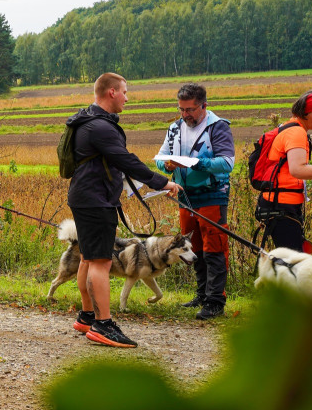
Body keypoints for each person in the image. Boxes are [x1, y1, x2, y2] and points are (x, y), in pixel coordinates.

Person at [66, 72, 181, 348]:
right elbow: (127, 161)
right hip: (95, 201)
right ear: (112, 92)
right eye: (125, 92)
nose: (127, 98)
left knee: (87, 258)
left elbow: (112, 161)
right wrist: (162, 182)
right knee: (100, 262)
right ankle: (102, 324)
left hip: (88, 197)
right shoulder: (101, 127)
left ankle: (87, 315)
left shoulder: (88, 121)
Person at [155, 83, 235, 321]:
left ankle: (215, 301)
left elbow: (227, 163)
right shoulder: (174, 128)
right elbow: (160, 158)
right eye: (181, 109)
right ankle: (201, 295)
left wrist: (197, 164)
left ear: (203, 106)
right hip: (185, 196)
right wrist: (167, 164)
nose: (185, 114)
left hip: (212, 193)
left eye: (190, 109)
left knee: (215, 248)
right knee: (194, 248)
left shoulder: (217, 127)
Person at [255, 90, 312, 251]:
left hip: (280, 204)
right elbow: (298, 170)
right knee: (293, 263)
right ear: (306, 112)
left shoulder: (289, 128)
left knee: (291, 259)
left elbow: (290, 169)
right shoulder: (296, 133)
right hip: (282, 205)